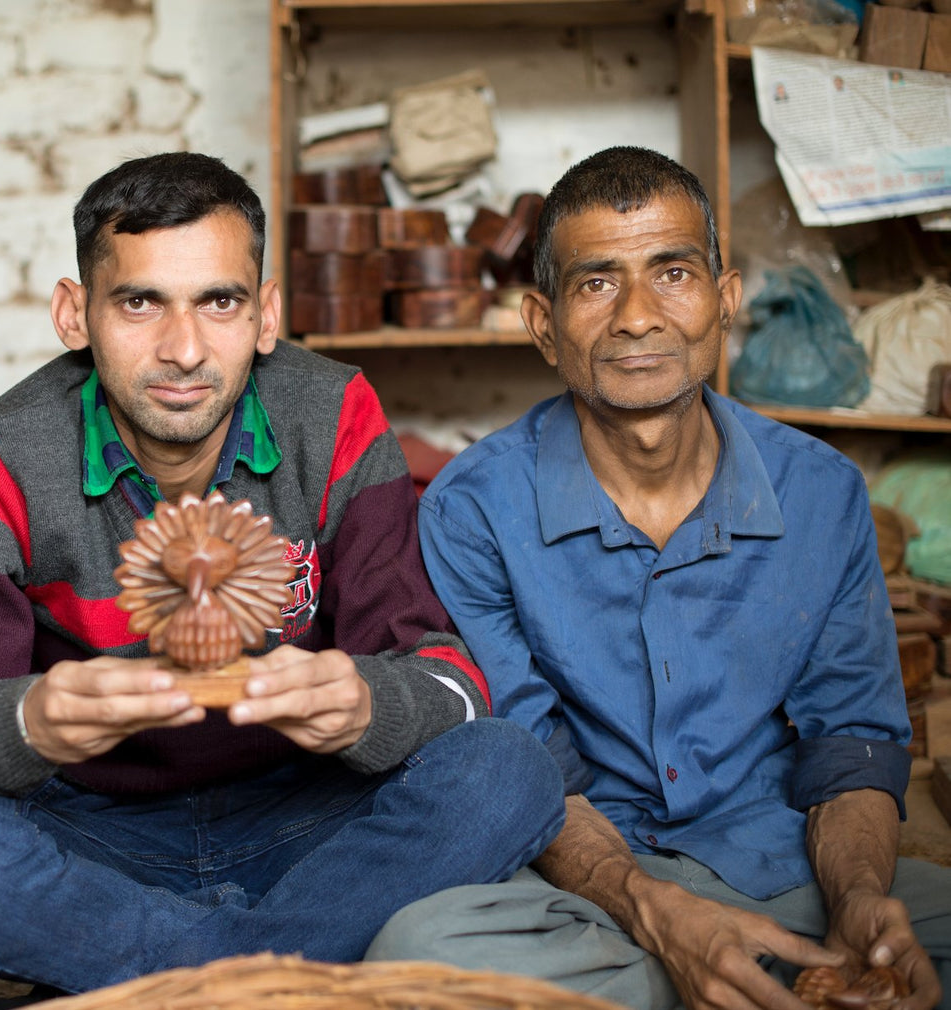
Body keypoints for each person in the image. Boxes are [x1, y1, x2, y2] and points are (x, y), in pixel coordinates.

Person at [0, 151, 565, 997]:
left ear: (265, 315)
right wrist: (31, 725)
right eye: (139, 302)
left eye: (219, 302)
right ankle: (283, 976)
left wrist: (366, 706)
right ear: (74, 313)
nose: (184, 348)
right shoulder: (3, 454)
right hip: (95, 829)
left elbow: (450, 682)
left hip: (308, 814)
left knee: (509, 769)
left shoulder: (334, 411)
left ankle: (164, 982)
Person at [371, 146, 951, 1010]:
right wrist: (655, 912)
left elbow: (852, 745)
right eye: (597, 282)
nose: (638, 317)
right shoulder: (472, 508)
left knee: (924, 929)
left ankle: (747, 976)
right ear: (543, 323)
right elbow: (530, 766)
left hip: (783, 870)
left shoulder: (820, 491)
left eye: (672, 272)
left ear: (725, 300)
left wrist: (861, 900)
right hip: (583, 889)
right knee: (412, 956)